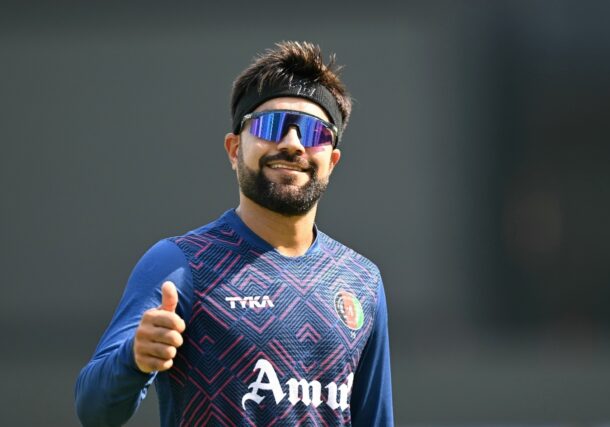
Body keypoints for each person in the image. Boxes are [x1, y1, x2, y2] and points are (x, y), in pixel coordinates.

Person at [75, 41, 393, 427]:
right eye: (271, 125)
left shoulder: (361, 281)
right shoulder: (179, 263)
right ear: (233, 149)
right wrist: (135, 358)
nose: (292, 144)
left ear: (332, 160)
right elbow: (93, 410)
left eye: (312, 132)